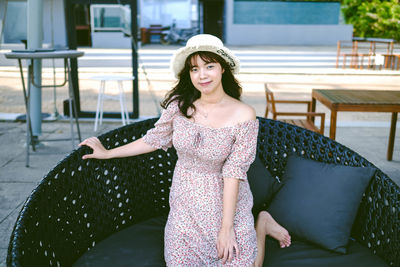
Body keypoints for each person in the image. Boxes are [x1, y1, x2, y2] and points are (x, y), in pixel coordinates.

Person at [80, 34, 290, 267]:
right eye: (194, 69)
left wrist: (226, 228)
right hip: (186, 204)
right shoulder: (179, 106)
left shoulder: (244, 115)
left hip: (228, 203)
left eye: (209, 66)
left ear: (222, 69)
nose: (201, 75)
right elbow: (153, 140)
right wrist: (108, 153)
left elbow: (234, 172)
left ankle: (261, 224)